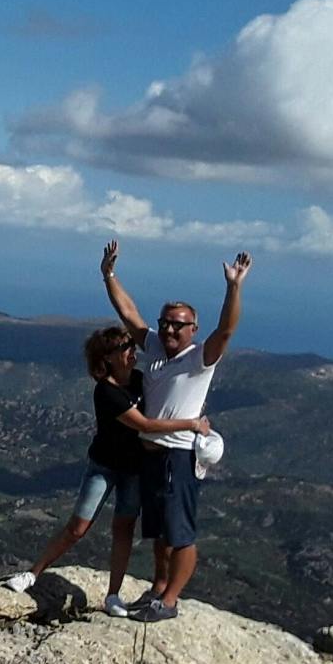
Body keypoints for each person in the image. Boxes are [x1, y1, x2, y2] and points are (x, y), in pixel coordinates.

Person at [1, 326, 212, 615]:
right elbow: (145, 425)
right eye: (124, 347)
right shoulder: (107, 391)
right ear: (109, 357)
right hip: (105, 467)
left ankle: (113, 595)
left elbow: (169, 400)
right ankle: (33, 573)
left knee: (123, 529)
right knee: (78, 527)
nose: (131, 350)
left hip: (135, 469)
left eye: (130, 345)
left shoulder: (140, 380)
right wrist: (191, 424)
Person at [100, 240, 252, 621]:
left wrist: (234, 287)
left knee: (180, 534)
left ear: (192, 329)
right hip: (150, 455)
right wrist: (109, 275)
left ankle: (169, 602)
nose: (169, 328)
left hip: (177, 455)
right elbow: (129, 312)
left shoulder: (199, 358)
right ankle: (157, 589)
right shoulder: (153, 348)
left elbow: (227, 329)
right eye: (166, 322)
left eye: (178, 324)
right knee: (160, 534)